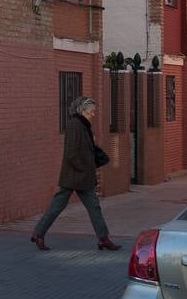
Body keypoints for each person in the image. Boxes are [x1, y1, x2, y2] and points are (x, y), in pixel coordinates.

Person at [31, 95, 120, 252]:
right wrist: (84, 168)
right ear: (83, 109)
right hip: (74, 176)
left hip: (83, 176)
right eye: (91, 110)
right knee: (57, 207)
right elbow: (71, 153)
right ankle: (38, 234)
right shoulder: (75, 125)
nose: (93, 113)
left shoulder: (84, 125)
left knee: (94, 207)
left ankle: (103, 239)